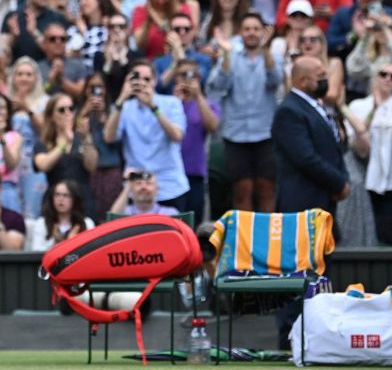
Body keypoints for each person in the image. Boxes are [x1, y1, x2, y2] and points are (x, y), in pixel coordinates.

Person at [207, 13, 282, 212]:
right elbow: (217, 86)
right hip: (236, 134)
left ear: (262, 32)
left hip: (265, 133)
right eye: (247, 29)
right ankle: (245, 240)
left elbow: (275, 80)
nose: (251, 33)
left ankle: (268, 238)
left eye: (256, 29)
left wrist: (266, 51)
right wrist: (225, 57)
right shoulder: (230, 55)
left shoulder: (273, 57)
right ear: (241, 32)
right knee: (242, 189)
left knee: (266, 188)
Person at [104, 59, 189, 211]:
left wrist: (153, 107)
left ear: (155, 81)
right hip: (137, 190)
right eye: (136, 79)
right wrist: (121, 98)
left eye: (147, 79)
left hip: (170, 186)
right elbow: (109, 137)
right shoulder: (125, 107)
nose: (142, 83)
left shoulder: (171, 103)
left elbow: (177, 136)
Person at [346, 60, 392, 246]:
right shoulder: (358, 106)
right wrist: (374, 109)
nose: (388, 79)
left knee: (391, 230)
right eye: (383, 74)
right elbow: (358, 146)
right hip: (365, 178)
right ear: (374, 77)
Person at [272, 56, 350, 214]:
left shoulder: (315, 106)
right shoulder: (289, 111)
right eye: (320, 76)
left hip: (323, 199)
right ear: (302, 81)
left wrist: (342, 179)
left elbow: (332, 149)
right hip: (303, 203)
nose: (325, 80)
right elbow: (306, 159)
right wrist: (339, 183)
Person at [173, 60, 220, 219]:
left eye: (193, 75)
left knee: (194, 223)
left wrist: (198, 95)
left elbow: (213, 125)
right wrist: (176, 101)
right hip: (171, 174)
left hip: (194, 173)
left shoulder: (208, 105)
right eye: (183, 75)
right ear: (176, 78)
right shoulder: (168, 104)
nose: (188, 79)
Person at [25, 180, 96, 252]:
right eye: (57, 195)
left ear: (75, 199)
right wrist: (54, 242)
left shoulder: (87, 223)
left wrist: (72, 242)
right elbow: (35, 251)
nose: (60, 199)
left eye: (66, 195)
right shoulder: (42, 223)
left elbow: (91, 251)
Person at [109, 169, 183, 216]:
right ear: (131, 189)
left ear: (157, 190)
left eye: (148, 183)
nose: (143, 187)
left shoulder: (169, 213)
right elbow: (113, 217)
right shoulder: (125, 212)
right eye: (138, 183)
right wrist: (127, 186)